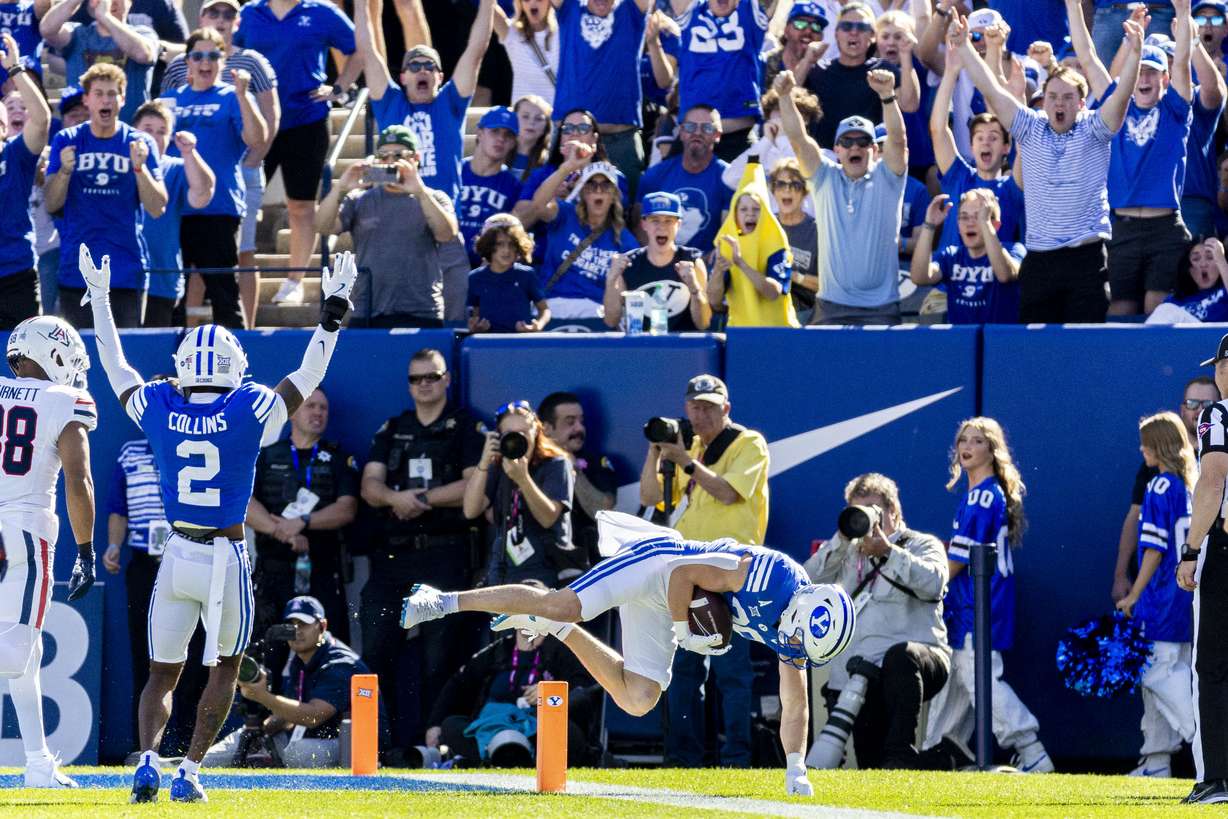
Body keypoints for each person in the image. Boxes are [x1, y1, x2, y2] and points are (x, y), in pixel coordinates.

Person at [78, 243, 356, 802]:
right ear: (235, 367)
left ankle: (149, 762)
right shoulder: (247, 405)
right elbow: (307, 373)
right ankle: (191, 772)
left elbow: (114, 363)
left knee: (162, 672)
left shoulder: (157, 403)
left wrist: (102, 301)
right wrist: (333, 313)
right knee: (225, 669)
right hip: (226, 555)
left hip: (176, 552)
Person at [401, 510, 856, 796]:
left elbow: (795, 703)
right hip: (658, 564)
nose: (792, 648)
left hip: (670, 595)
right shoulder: (765, 575)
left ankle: (561, 632)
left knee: (639, 698)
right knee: (564, 601)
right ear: (801, 613)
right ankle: (441, 599)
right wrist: (686, 631)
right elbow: (680, 572)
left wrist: (796, 768)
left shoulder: (792, 629)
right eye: (796, 640)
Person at [952, 11, 1142, 323]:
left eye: (1067, 98)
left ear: (1081, 104)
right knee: (1038, 354)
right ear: (1043, 101)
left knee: (1083, 351)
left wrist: (1135, 53)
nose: (1058, 103)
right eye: (1052, 96)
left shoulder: (1095, 127)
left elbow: (1121, 97)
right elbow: (991, 90)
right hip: (1039, 259)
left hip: (1087, 258)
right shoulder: (1030, 126)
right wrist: (963, 47)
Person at [637, 374, 767, 767]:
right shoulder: (686, 445)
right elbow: (649, 497)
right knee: (684, 670)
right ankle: (682, 760)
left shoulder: (748, 443)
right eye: (695, 406)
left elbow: (729, 493)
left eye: (709, 407)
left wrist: (685, 462)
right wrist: (656, 450)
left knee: (732, 673)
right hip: (687, 572)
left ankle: (737, 760)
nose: (701, 414)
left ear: (726, 408)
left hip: (732, 571)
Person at [358, 348, 485, 749]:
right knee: (377, 652)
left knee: (439, 659)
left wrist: (423, 500)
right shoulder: (393, 428)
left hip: (444, 554)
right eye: (416, 379)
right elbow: (370, 486)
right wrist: (396, 500)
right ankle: (380, 743)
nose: (425, 384)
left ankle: (434, 746)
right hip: (394, 557)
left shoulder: (466, 426)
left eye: (432, 376)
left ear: (448, 379)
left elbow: (471, 486)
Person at [923, 417, 1053, 774]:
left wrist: (928, 584)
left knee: (976, 674)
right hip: (973, 600)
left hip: (979, 600)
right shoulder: (979, 493)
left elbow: (961, 559)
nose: (967, 446)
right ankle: (939, 750)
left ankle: (1031, 749)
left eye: (978, 441)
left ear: (992, 450)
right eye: (963, 439)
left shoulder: (982, 495)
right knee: (961, 676)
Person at [0, 316, 97, 787]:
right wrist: (86, 549)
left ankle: (37, 762)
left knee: (30, 653)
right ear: (55, 354)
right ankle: (37, 763)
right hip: (24, 531)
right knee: (17, 651)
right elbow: (78, 482)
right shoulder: (66, 399)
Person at [804, 473, 957, 770]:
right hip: (860, 675)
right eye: (858, 511)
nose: (867, 519)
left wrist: (889, 552)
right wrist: (842, 538)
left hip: (917, 663)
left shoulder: (921, 544)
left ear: (893, 511)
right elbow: (807, 582)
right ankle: (920, 766)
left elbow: (936, 582)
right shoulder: (845, 553)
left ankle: (902, 756)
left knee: (901, 657)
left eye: (873, 510)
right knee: (871, 763)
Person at [1067, 0, 1194, 317]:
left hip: (1165, 228)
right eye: (1138, 72)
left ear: (1164, 80)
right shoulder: (1114, 106)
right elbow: (1087, 57)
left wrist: (1182, 12)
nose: (1144, 79)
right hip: (1120, 228)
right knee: (1119, 312)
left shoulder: (1175, 111)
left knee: (1157, 309)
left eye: (1152, 73)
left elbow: (1181, 65)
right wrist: (1072, 5)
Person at [160, 0, 280, 327]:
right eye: (198, 56)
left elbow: (258, 139)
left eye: (213, 56)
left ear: (222, 60)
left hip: (220, 209)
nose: (205, 62)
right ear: (187, 62)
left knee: (225, 295)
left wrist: (243, 96)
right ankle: (169, 367)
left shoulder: (231, 96)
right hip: (176, 210)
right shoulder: (171, 100)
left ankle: (236, 369)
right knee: (171, 296)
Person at [233, 0, 360, 305]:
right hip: (257, 121)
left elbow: (359, 49)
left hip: (307, 119)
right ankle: (228, 277)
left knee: (301, 206)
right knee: (236, 201)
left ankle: (295, 281)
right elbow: (230, 55)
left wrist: (340, 87)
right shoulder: (250, 12)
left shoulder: (322, 12)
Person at [776, 68, 909, 325]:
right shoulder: (825, 177)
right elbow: (798, 139)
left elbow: (898, 140)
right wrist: (784, 97)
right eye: (847, 142)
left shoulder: (888, 177)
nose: (855, 147)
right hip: (831, 306)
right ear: (836, 149)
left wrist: (888, 96)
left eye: (862, 142)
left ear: (873, 149)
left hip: (881, 308)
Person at [45, 63, 168, 328]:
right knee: (78, 362)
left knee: (126, 358)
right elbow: (52, 203)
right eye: (99, 93)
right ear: (86, 100)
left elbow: (158, 207)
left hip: (125, 272)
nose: (106, 100)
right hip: (76, 273)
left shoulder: (140, 143)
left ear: (122, 100)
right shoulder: (66, 139)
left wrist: (139, 168)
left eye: (112, 94)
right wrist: (65, 171)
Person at [425, 580, 600, 766]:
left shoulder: (563, 649)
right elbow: (458, 684)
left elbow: (586, 690)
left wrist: (551, 694)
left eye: (536, 609)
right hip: (492, 727)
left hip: (540, 729)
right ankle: (496, 756)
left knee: (567, 732)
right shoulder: (499, 650)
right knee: (451, 726)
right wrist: (434, 724)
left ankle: (516, 759)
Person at [1115, 412, 1197, 778]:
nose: (1141, 449)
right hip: (1186, 595)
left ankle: (1203, 738)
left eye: (1146, 442)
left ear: (1160, 445)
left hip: (1163, 594)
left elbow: (1153, 550)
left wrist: (1134, 593)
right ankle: (1157, 760)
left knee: (1155, 670)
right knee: (1172, 668)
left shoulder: (1161, 486)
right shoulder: (1189, 484)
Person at [203, 596, 374, 768]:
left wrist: (262, 697)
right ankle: (194, 764)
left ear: (322, 626)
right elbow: (289, 716)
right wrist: (259, 730)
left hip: (354, 744)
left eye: (303, 624)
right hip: (309, 736)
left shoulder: (340, 663)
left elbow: (313, 716)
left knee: (296, 752)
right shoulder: (300, 660)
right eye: (291, 624)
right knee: (246, 736)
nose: (296, 631)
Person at [315, 125, 460, 327]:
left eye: (399, 155)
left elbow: (447, 234)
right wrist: (340, 188)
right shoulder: (359, 199)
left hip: (422, 309)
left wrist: (419, 191)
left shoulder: (434, 197)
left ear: (415, 159)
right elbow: (322, 226)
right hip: (368, 308)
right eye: (383, 156)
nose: (390, 162)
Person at [247, 387, 359, 642]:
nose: (318, 412)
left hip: (321, 574)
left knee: (325, 650)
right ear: (292, 414)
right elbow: (244, 504)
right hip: (274, 575)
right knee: (268, 654)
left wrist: (303, 522)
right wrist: (282, 532)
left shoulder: (338, 459)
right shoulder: (267, 456)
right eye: (311, 406)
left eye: (323, 408)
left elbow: (346, 509)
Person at [357, 0, 493, 201]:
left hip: (442, 210)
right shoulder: (390, 103)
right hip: (397, 211)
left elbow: (476, 50)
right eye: (414, 66)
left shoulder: (450, 102)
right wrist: (360, 5)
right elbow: (367, 52)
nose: (422, 70)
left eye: (430, 66)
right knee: (361, 174)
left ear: (439, 77)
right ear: (403, 78)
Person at [1177, 333, 1228, 803]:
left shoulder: (1218, 414)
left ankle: (1217, 777)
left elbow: (1212, 481)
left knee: (1211, 666)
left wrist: (1192, 549)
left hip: (1227, 548)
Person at [1113, 375, 1217, 602]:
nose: (1199, 410)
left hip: (1210, 577)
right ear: (1182, 409)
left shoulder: (1217, 460)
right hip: (1173, 582)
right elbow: (1136, 518)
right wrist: (1121, 575)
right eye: (1192, 404)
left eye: (1208, 405)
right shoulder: (1160, 475)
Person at [463, 400, 581, 586]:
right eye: (510, 434)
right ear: (500, 436)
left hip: (546, 569)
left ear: (537, 432)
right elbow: (470, 510)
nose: (518, 440)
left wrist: (523, 478)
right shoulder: (498, 465)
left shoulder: (556, 464)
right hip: (504, 569)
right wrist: (484, 462)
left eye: (524, 433)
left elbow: (548, 518)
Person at [102, 434, 169, 740]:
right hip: (144, 560)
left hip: (187, 556)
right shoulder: (131, 451)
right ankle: (144, 745)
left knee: (193, 654)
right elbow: (119, 507)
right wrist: (114, 545)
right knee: (144, 654)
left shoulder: (197, 439)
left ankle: (184, 742)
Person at [929, 44, 1024, 254]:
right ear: (971, 147)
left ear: (1007, 148)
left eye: (993, 137)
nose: (985, 143)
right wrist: (951, 73)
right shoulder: (959, 177)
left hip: (995, 281)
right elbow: (938, 130)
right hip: (949, 283)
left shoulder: (1013, 186)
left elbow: (1026, 138)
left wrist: (1019, 100)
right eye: (979, 138)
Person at [652, 0, 775, 161]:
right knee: (664, 182)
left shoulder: (751, 11)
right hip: (692, 141)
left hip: (739, 138)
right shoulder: (692, 11)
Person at [550, 0, 653, 194]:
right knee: (556, 210)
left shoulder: (631, 11)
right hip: (570, 138)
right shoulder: (570, 9)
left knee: (627, 213)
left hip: (620, 142)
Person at [132, 100, 214, 328]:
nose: (154, 138)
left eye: (162, 132)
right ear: (133, 131)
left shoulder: (176, 167)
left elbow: (202, 194)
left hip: (161, 280)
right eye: (148, 130)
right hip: (120, 278)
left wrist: (189, 152)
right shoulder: (116, 162)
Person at [532, 156, 637, 318]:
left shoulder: (626, 241)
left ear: (614, 196)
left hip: (596, 312)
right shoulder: (565, 215)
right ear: (582, 192)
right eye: (591, 184)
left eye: (606, 185)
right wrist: (566, 168)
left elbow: (626, 293)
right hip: (552, 306)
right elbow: (538, 205)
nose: (598, 190)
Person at [802, 2, 917, 149]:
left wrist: (906, 55)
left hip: (869, 159)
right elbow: (788, 98)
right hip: (825, 162)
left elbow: (910, 105)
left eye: (862, 27)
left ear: (872, 36)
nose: (854, 32)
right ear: (836, 34)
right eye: (847, 26)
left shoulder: (883, 70)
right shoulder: (819, 70)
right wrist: (807, 61)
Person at [910, 190, 1023, 324]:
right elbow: (920, 277)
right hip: (962, 341)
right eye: (964, 217)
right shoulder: (951, 255)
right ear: (958, 225)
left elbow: (1004, 274)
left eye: (978, 216)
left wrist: (985, 223)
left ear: (995, 225)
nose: (970, 223)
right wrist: (929, 225)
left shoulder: (1014, 249)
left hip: (1000, 340)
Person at [605, 191, 711, 332]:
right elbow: (611, 321)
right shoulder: (628, 264)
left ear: (678, 224)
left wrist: (694, 288)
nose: (662, 227)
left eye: (668, 220)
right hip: (642, 349)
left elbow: (703, 323)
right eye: (655, 220)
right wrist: (611, 280)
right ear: (644, 224)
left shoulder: (693, 261)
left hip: (684, 350)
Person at [39, 0, 160, 123]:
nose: (112, 2)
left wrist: (105, 16)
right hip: (84, 133)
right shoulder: (78, 34)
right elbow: (47, 29)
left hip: (129, 132)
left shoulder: (143, 33)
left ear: (129, 3)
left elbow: (143, 54)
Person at [635, 104, 731, 256]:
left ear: (717, 135)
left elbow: (729, 236)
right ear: (681, 132)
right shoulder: (655, 176)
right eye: (690, 127)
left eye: (706, 128)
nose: (697, 133)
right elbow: (639, 228)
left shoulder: (729, 178)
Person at [0, 32, 49, 328]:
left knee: (30, 361)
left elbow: (41, 119)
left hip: (17, 275)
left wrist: (15, 69)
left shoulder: (16, 154)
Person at [536, 391, 617, 566]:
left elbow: (603, 510)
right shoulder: (530, 467)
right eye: (570, 422)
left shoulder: (597, 464)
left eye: (581, 421)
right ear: (546, 429)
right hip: (537, 562)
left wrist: (572, 469)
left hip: (583, 564)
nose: (579, 429)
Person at [707, 176, 798, 328]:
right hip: (740, 332)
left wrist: (742, 264)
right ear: (735, 215)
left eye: (756, 209)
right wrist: (718, 270)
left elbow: (773, 293)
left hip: (778, 330)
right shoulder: (726, 246)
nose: (750, 214)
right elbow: (714, 301)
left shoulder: (776, 245)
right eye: (743, 209)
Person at [1179, 7, 1226, 239]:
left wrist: (1192, 40)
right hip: (1150, 207)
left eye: (1216, 18)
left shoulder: (1197, 95)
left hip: (1194, 198)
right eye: (1200, 18)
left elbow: (1213, 92)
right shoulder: (1146, 99)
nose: (1208, 24)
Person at [459, 107, 523, 266]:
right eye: (495, 131)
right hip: (445, 264)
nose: (501, 139)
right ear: (479, 133)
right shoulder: (454, 171)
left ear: (514, 143)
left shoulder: (514, 186)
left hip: (485, 269)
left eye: (508, 135)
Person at [466, 214, 551, 333]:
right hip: (486, 345)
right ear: (488, 245)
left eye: (512, 244)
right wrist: (477, 327)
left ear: (519, 246)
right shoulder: (475, 277)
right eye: (499, 244)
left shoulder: (527, 275)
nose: (506, 250)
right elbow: (475, 314)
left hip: (520, 343)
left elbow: (544, 309)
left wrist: (537, 326)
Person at [768, 158, 818, 323]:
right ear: (773, 190)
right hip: (769, 308)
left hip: (806, 313)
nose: (787, 190)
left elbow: (829, 285)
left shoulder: (818, 231)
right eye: (781, 184)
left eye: (795, 185)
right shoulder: (764, 227)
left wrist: (792, 276)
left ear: (805, 191)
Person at [493, 0, 560, 105]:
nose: (532, 3)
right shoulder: (513, 34)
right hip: (523, 118)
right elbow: (488, 7)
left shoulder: (564, 32)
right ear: (520, 4)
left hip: (557, 117)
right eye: (526, 0)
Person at [761, 2, 829, 93]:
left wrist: (808, 61)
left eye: (816, 27)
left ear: (821, 36)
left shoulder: (824, 73)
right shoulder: (763, 63)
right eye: (800, 24)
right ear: (786, 31)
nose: (808, 31)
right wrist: (806, 62)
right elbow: (773, 103)